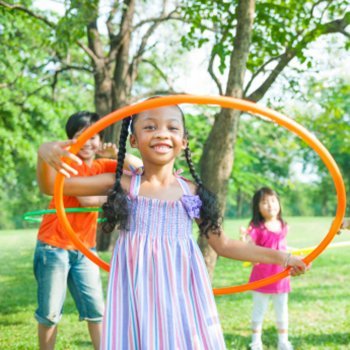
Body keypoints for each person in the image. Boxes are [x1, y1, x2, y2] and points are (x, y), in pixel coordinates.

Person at [40, 104, 308, 350]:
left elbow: (224, 245)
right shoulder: (120, 183)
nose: (161, 133)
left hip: (181, 296)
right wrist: (44, 153)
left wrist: (283, 258)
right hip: (137, 295)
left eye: (172, 127)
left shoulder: (191, 192)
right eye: (149, 126)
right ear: (133, 140)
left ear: (184, 141)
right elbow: (51, 186)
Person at [35, 111, 142, 350]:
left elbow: (140, 169)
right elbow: (86, 200)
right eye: (80, 135)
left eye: (94, 135)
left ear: (101, 139)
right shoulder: (66, 165)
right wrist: (117, 201)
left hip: (84, 248)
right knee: (50, 313)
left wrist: (118, 155)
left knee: (97, 311)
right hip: (53, 246)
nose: (88, 141)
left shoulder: (104, 164)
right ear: (69, 140)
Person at [240, 187, 295, 350]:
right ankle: (256, 341)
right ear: (257, 207)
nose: (270, 205)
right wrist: (244, 238)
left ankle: (283, 341)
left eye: (272, 200)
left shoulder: (283, 225)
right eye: (264, 202)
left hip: (281, 277)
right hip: (262, 277)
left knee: (282, 310)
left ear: (278, 203)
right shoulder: (257, 228)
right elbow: (249, 247)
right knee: (259, 310)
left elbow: (282, 246)